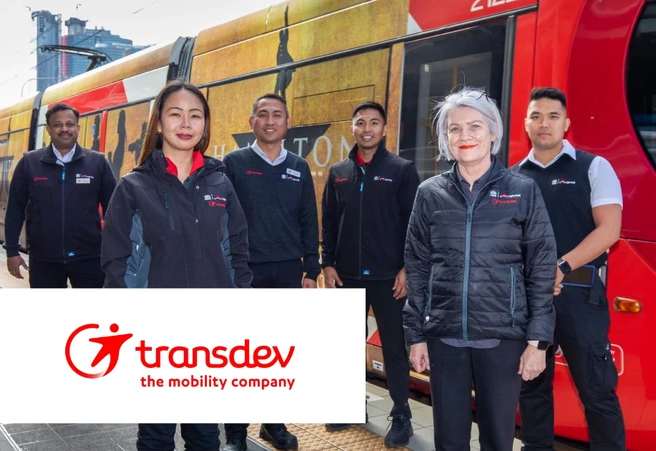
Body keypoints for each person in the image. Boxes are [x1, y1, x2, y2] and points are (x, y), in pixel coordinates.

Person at [101, 80, 254, 451]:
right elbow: (116, 265)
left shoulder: (221, 183)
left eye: (195, 115)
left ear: (204, 125)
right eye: (175, 114)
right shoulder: (133, 187)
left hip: (209, 335)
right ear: (158, 123)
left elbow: (238, 257)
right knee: (156, 435)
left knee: (204, 435)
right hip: (156, 335)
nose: (186, 123)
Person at [403, 87, 556, 451]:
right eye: (454, 129)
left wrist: (537, 341)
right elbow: (417, 265)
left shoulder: (522, 190)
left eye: (475, 126)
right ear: (445, 140)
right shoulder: (429, 193)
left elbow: (541, 267)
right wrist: (415, 335)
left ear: (493, 133)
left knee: (498, 440)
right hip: (445, 337)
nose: (465, 136)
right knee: (449, 441)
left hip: (503, 339)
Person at [514, 87, 626, 451]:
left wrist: (560, 267)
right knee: (531, 388)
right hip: (530, 299)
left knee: (597, 390)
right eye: (536, 116)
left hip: (579, 295)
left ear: (566, 124)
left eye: (552, 116)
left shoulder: (593, 167)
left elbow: (610, 230)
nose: (544, 123)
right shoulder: (511, 178)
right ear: (526, 124)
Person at [220, 93, 319, 451]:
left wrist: (312, 267)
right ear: (252, 123)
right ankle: (234, 431)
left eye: (277, 115)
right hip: (245, 272)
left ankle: (273, 423)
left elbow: (309, 218)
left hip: (288, 270)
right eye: (263, 114)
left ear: (288, 123)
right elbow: (222, 218)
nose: (270, 120)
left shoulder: (299, 167)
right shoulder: (234, 163)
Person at [320, 101, 419, 447]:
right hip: (346, 274)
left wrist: (408, 267)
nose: (367, 129)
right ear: (352, 128)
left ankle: (402, 415)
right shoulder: (338, 172)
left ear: (384, 129)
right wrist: (327, 262)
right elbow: (330, 222)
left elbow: (414, 225)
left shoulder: (402, 170)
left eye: (374, 123)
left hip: (390, 277)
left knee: (394, 348)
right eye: (360, 122)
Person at [3, 103, 116, 288]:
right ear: (48, 129)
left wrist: (116, 252)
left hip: (90, 258)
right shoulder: (29, 163)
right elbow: (15, 210)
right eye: (58, 125)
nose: (65, 129)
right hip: (44, 260)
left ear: (78, 128)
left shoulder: (98, 163)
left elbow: (114, 210)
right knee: (50, 316)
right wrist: (12, 252)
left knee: (94, 314)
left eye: (70, 124)